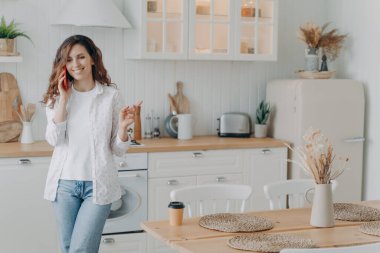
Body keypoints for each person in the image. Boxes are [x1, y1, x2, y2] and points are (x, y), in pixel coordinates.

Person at [42, 34, 141, 253]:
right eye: (69, 59)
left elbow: (118, 149)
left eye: (81, 57)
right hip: (64, 185)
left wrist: (124, 128)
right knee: (68, 248)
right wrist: (64, 100)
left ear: (93, 59)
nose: (75, 64)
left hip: (98, 186)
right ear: (63, 64)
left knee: (80, 249)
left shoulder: (110, 96)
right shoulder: (56, 97)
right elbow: (53, 140)